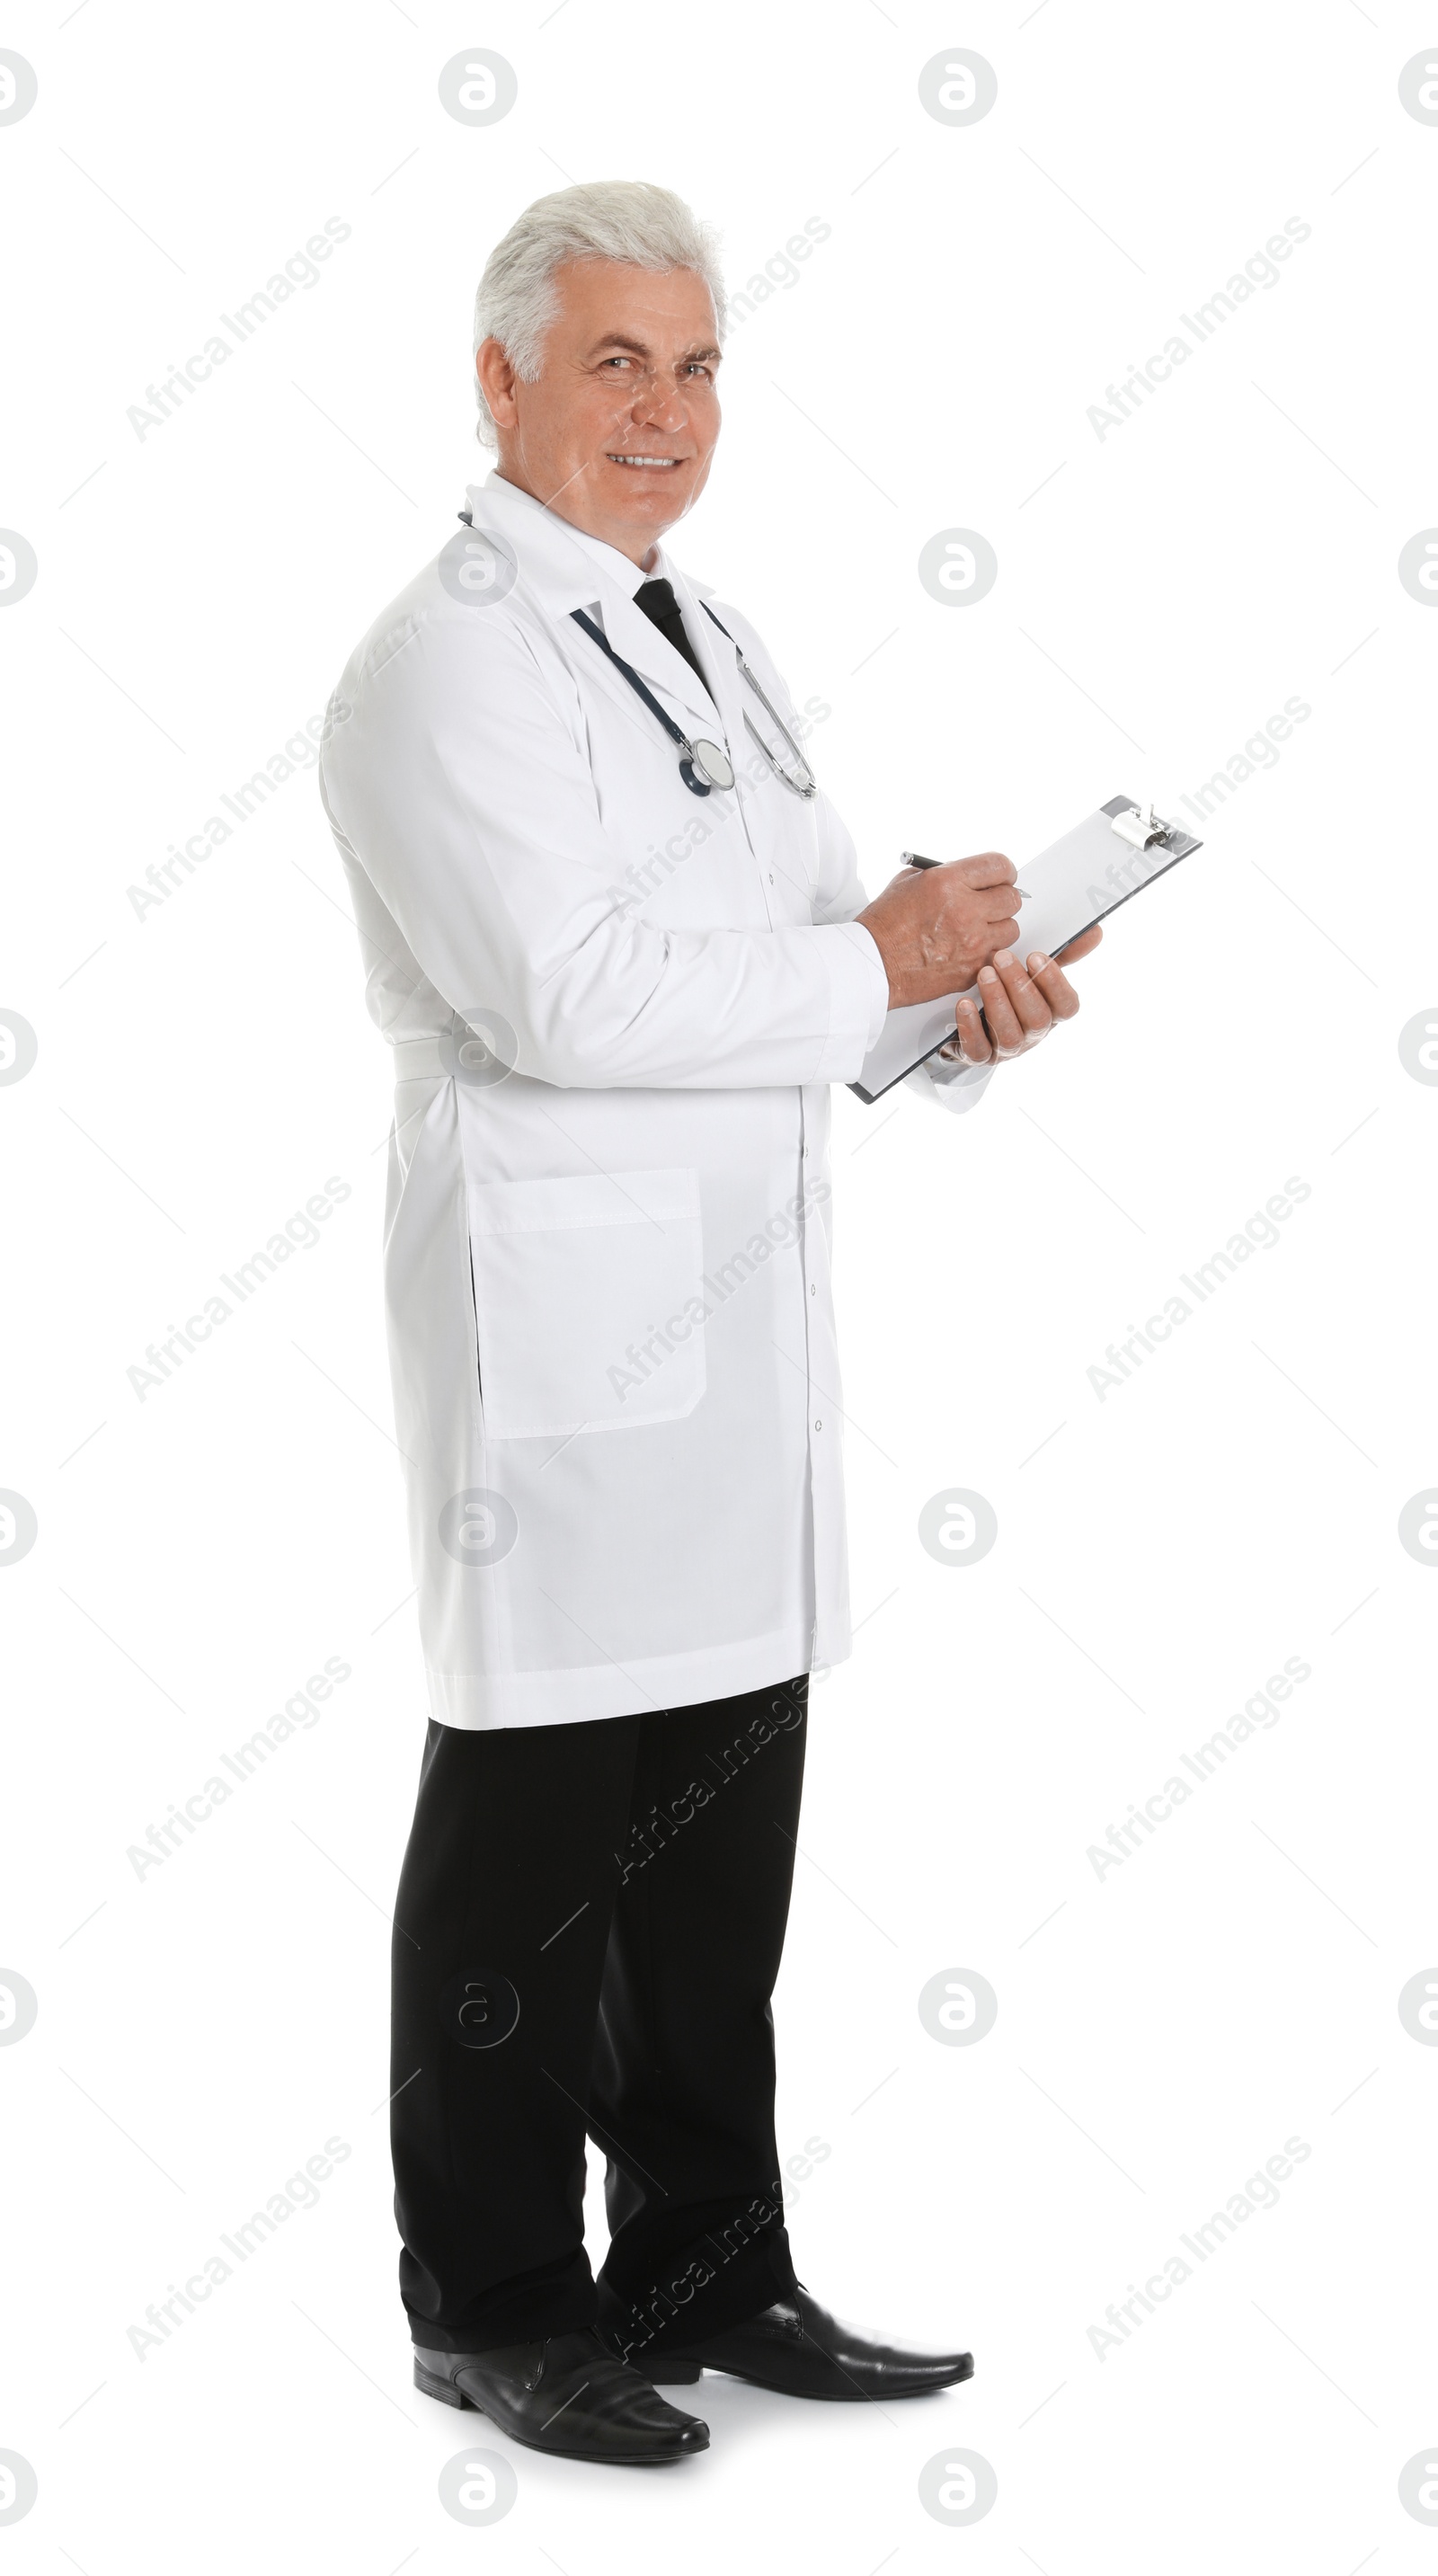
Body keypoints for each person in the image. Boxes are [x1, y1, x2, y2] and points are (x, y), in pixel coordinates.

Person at [319, 179, 1099, 2469]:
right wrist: (877, 960)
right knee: (530, 1841)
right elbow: (566, 1003)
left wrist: (954, 1000)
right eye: (614, 365)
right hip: (559, 1360)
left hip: (730, 1350)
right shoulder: (441, 659)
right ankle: (487, 2296)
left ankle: (700, 2259)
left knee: (707, 1848)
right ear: (501, 384)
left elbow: (788, 976)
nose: (664, 413)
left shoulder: (703, 628)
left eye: (697, 365)